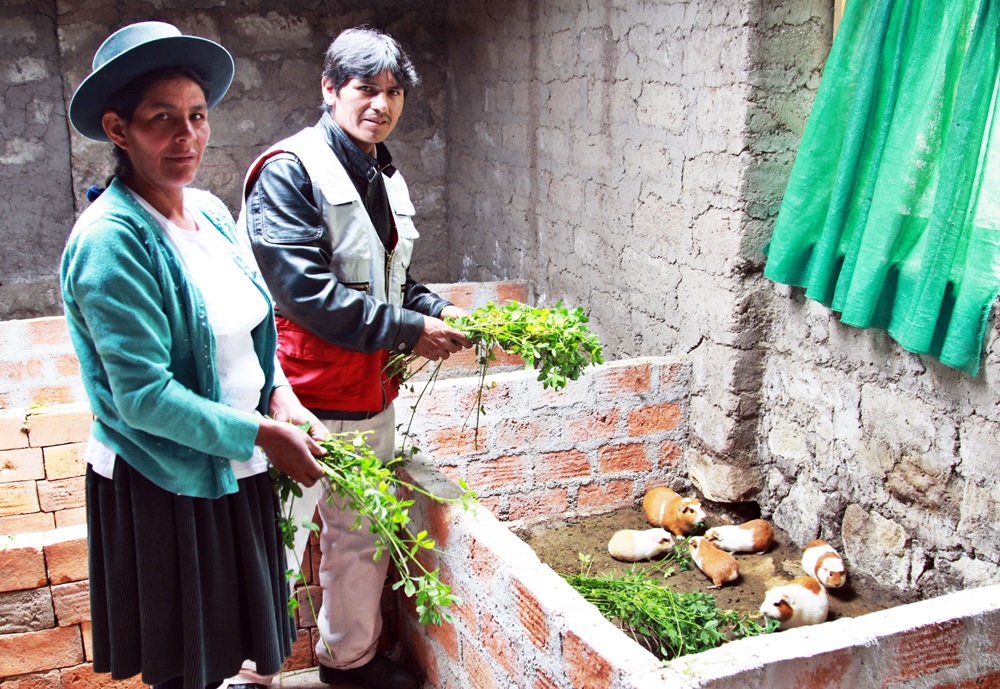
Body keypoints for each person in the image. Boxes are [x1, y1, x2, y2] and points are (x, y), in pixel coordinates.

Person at [61, 21, 327, 689]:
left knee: (233, 643)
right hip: (165, 479)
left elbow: (251, 332)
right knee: (187, 659)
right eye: (162, 120)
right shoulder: (112, 241)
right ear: (119, 130)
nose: (188, 137)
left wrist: (283, 398)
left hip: (236, 464)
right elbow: (142, 396)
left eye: (197, 116)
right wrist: (265, 433)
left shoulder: (206, 211)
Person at [232, 26, 471, 689]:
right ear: (330, 89)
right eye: (367, 89)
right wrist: (405, 330)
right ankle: (249, 672)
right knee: (276, 537)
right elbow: (305, 293)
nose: (381, 105)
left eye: (393, 92)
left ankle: (351, 661)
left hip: (371, 392)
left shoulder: (381, 169)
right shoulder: (289, 170)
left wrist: (441, 312)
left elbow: (393, 280)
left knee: (359, 536)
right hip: (299, 395)